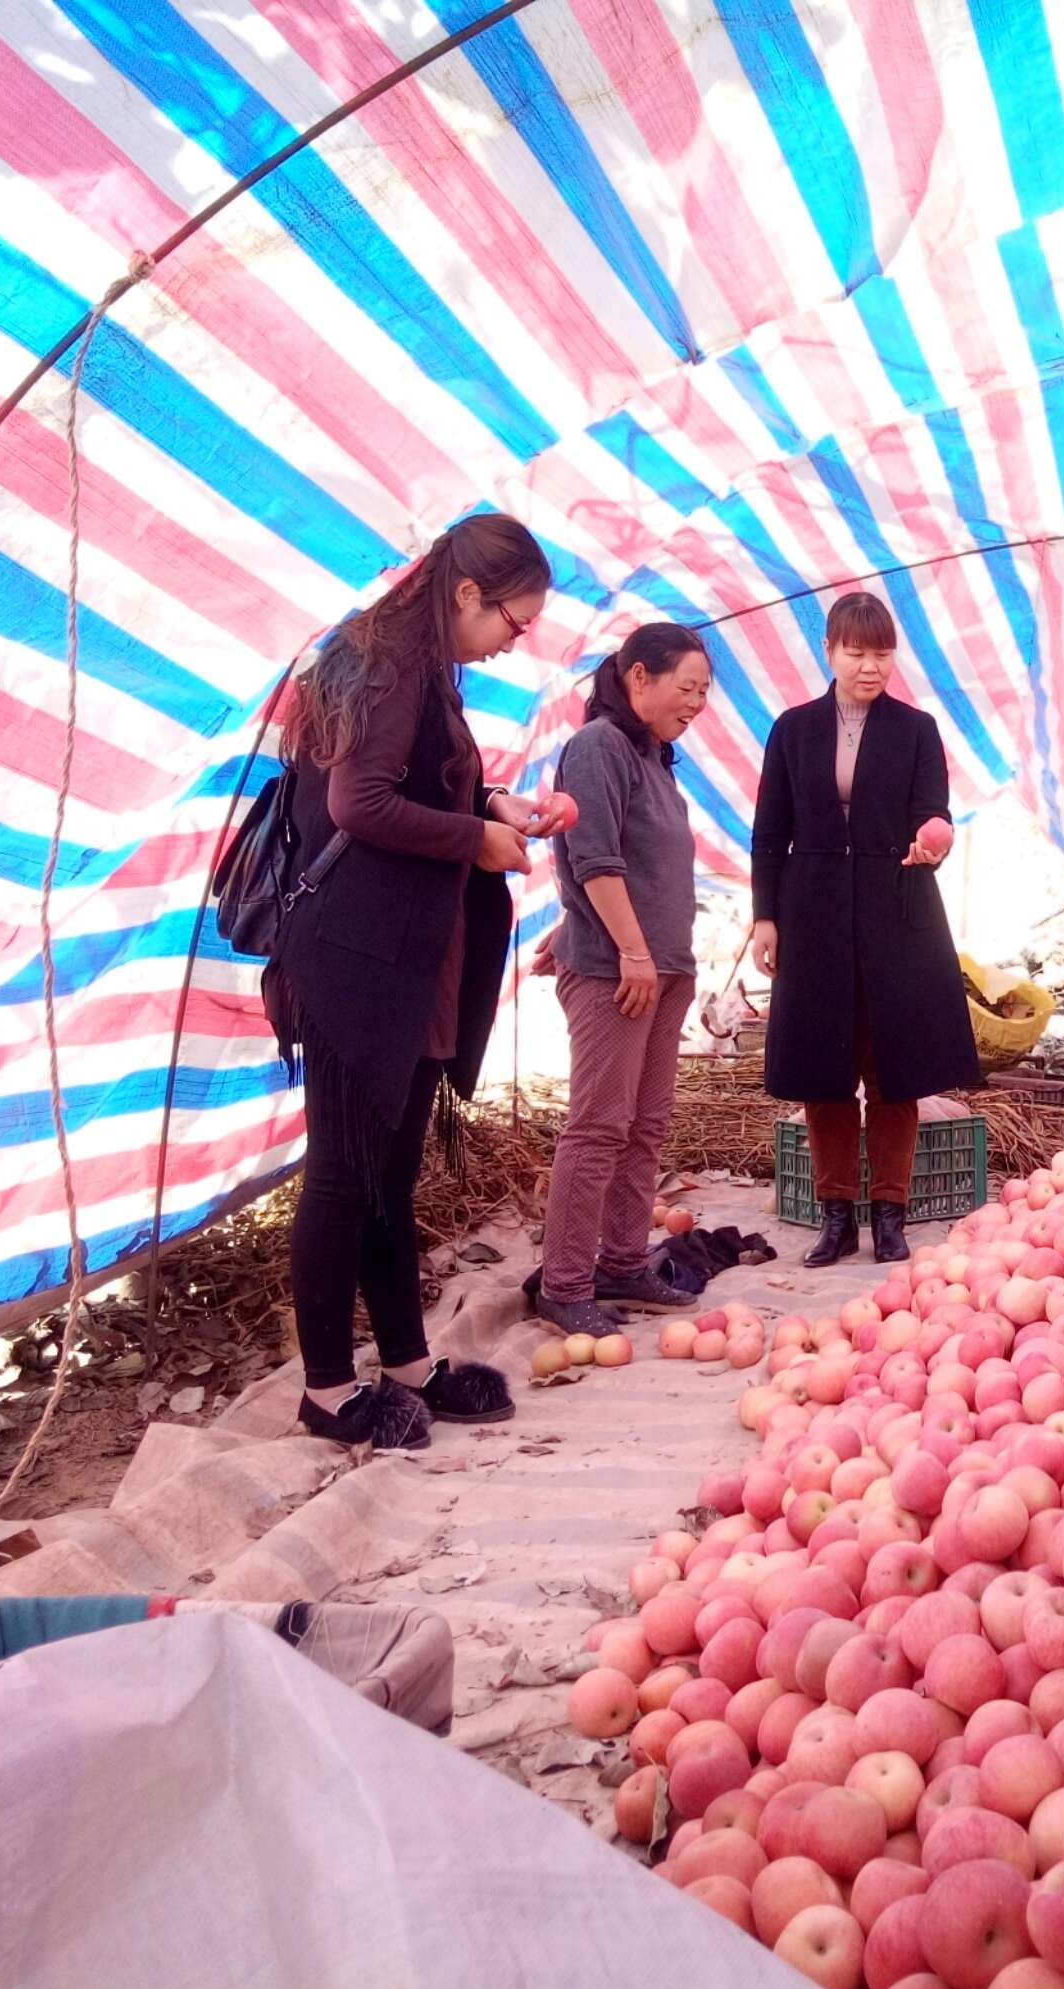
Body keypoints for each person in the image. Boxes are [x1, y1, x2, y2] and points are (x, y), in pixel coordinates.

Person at [265, 513, 561, 1449]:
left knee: (391, 1173)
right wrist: (475, 838)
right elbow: (360, 803)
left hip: (409, 956)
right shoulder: (382, 658)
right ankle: (324, 1389)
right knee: (344, 1174)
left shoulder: (424, 664)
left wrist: (492, 804)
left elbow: (415, 785)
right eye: (514, 622)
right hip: (357, 959)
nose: (517, 644)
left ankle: (403, 1362)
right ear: (468, 593)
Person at [751, 590, 983, 1267]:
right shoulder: (793, 729)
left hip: (897, 907)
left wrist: (932, 844)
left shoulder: (916, 729)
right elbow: (771, 831)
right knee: (823, 1070)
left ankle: (889, 1214)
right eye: (856, 653)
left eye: (882, 655)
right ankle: (834, 1217)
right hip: (812, 908)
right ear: (829, 651)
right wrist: (766, 915)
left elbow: (932, 814)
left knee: (894, 1070)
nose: (870, 667)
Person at [531, 623, 714, 1332]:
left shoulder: (653, 757)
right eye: (687, 687)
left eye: (704, 693)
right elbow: (594, 859)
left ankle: (625, 1263)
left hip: (662, 968)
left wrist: (575, 923)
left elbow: (635, 866)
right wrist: (628, 951)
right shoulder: (598, 745)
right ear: (638, 678)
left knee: (644, 1126)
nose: (697, 704)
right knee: (599, 1127)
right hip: (620, 973)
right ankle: (566, 1282)